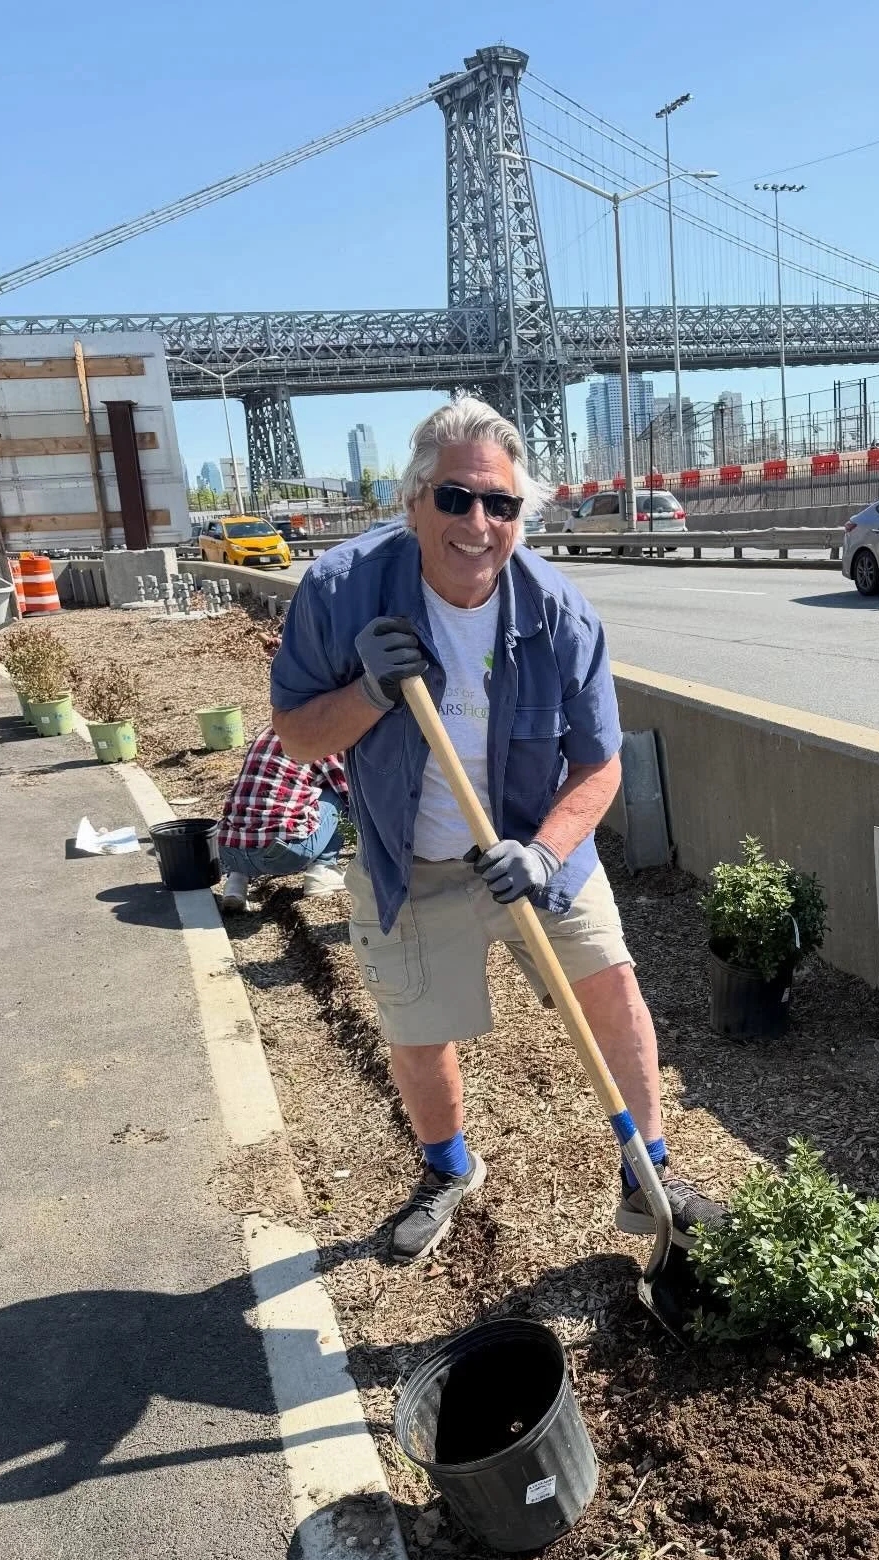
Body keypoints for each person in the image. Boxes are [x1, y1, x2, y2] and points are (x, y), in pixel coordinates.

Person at [269, 397, 724, 1266]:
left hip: (535, 845)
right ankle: (447, 1168)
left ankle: (648, 1175)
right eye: (455, 498)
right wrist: (368, 692)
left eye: (501, 504)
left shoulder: (558, 613)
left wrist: (547, 850)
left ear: (521, 514)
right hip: (410, 859)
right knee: (416, 1030)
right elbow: (296, 736)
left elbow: (599, 769)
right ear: (412, 504)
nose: (477, 523)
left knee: (614, 990)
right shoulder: (341, 592)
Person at [216, 725, 348, 912]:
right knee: (338, 794)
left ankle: (236, 884)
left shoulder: (273, 729)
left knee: (256, 806)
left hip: (231, 852)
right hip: (282, 854)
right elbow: (349, 793)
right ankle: (323, 870)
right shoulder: (324, 733)